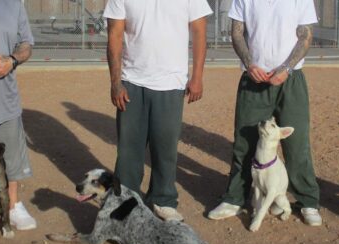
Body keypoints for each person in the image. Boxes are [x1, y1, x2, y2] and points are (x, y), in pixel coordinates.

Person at [208, 0, 323, 226]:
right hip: (254, 79)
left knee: (297, 143)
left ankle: (307, 200)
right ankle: (235, 198)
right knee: (245, 142)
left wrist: (287, 68)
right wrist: (250, 64)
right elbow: (237, 32)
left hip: (290, 79)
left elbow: (305, 35)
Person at [103, 0, 212, 221]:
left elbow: (200, 33)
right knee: (128, 149)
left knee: (165, 146)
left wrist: (197, 77)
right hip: (132, 82)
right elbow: (114, 35)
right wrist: (116, 82)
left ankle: (163, 200)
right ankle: (125, 200)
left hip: (171, 83)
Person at [0, 0, 37, 230]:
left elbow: (26, 44)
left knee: (10, 157)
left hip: (3, 99)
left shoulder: (14, 3)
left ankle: (12, 205)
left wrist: (12, 60)